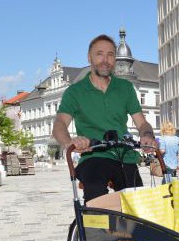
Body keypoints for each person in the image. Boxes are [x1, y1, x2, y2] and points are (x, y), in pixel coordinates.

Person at [52, 34, 157, 202]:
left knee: (138, 204)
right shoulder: (75, 91)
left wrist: (147, 136)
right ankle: (94, 226)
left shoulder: (125, 88)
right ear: (89, 58)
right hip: (93, 155)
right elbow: (60, 124)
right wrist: (68, 142)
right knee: (96, 198)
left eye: (110, 54)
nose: (105, 60)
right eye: (99, 54)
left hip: (123, 154)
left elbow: (142, 123)